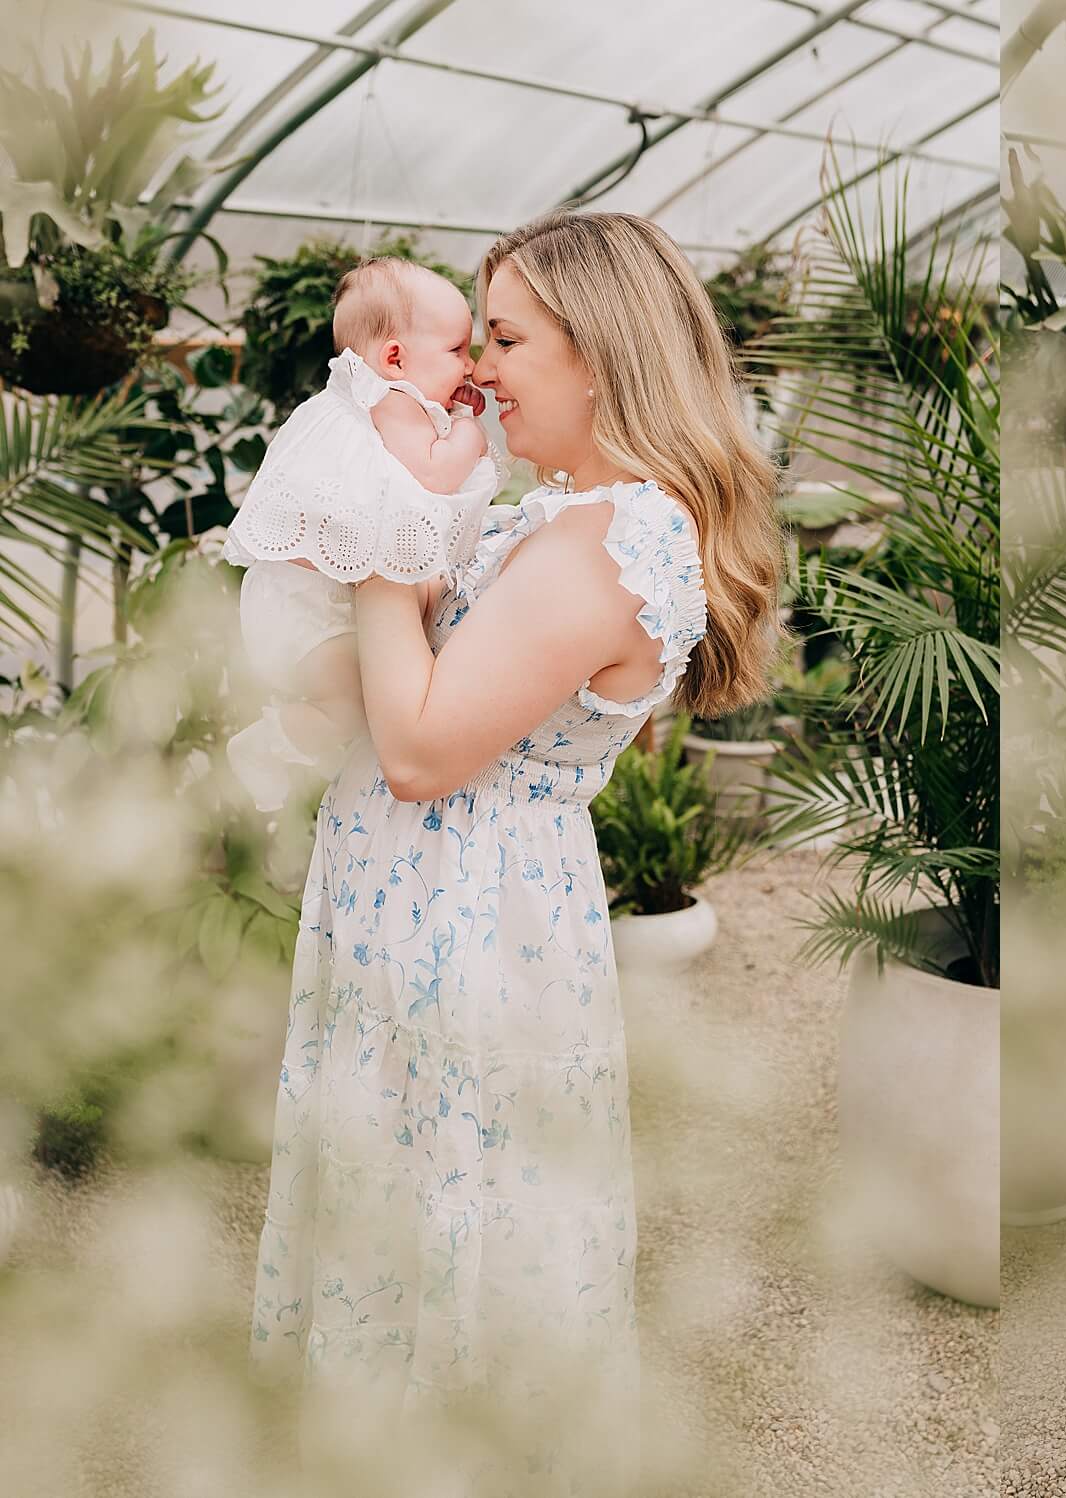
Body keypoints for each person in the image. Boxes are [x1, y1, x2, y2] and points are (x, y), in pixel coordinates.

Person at [247, 210, 788, 1490]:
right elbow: (396, 691)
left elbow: (425, 748)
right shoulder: (559, 517)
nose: (477, 368)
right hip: (432, 900)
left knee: (453, 1202)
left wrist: (374, 528)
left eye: (503, 337)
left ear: (600, 353)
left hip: (466, 915)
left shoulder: (605, 542)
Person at [222, 258, 501, 811]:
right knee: (358, 702)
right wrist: (470, 428)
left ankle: (288, 752)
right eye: (456, 351)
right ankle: (264, 749)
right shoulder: (392, 402)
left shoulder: (375, 400)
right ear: (394, 358)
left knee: (365, 700)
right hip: (314, 612)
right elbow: (436, 473)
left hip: (313, 604)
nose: (470, 367)